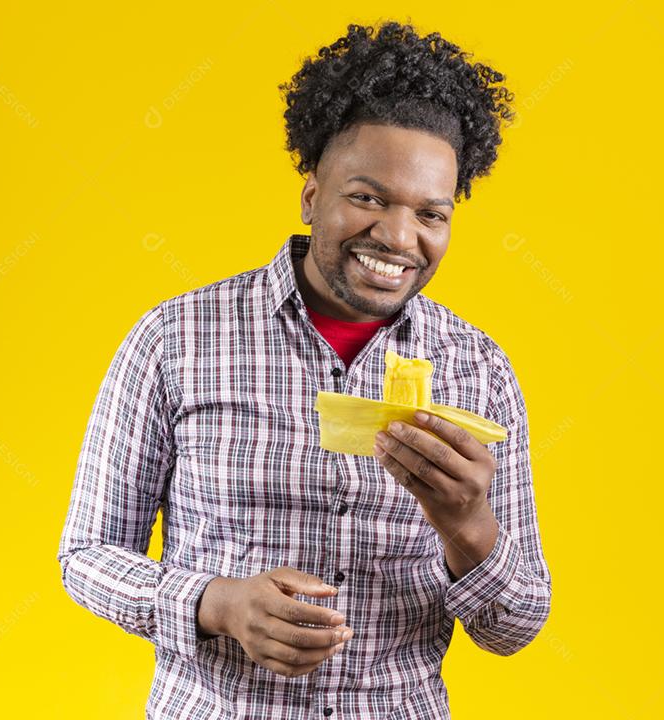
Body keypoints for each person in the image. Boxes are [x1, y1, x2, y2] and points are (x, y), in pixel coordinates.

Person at [57, 19, 552, 719]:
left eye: (430, 214)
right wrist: (215, 604)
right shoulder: (174, 339)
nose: (399, 238)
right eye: (368, 198)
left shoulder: (479, 370)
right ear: (312, 195)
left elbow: (514, 626)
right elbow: (87, 554)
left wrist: (465, 523)